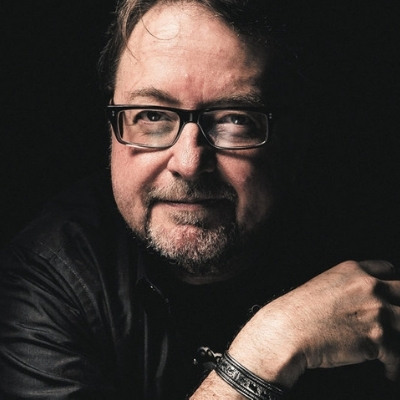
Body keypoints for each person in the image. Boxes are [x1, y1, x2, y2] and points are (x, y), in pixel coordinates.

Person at [0, 0, 399, 399]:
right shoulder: (46, 278)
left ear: (293, 141)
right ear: (112, 125)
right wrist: (269, 348)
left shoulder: (376, 248)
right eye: (152, 115)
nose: (190, 163)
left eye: (235, 119)